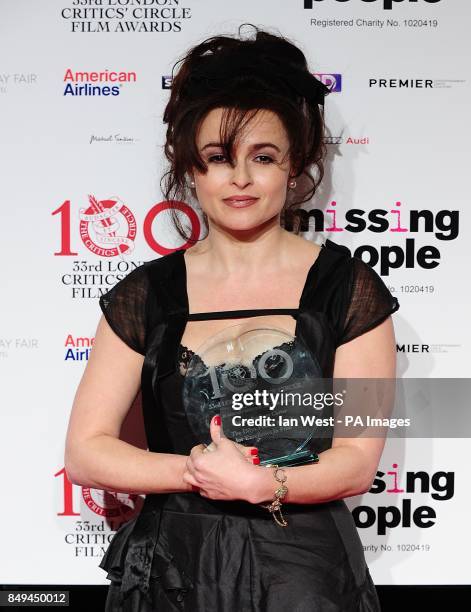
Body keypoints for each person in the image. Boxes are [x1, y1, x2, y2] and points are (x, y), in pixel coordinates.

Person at [65, 24, 400, 611]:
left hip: (304, 577)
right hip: (173, 573)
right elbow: (86, 451)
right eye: (219, 158)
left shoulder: (349, 290)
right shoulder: (147, 294)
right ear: (191, 170)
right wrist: (198, 471)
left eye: (262, 157)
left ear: (294, 168)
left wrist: (261, 483)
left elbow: (356, 461)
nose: (240, 178)